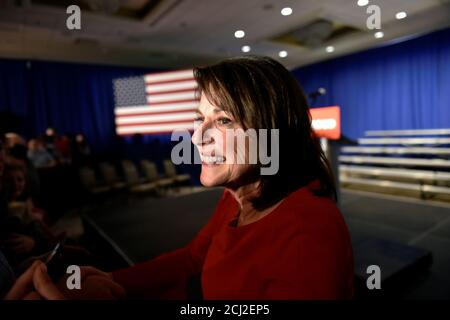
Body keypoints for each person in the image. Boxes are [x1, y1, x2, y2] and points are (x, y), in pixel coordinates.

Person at [7, 55, 354, 300]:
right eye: (199, 118)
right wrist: (113, 282)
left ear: (274, 133)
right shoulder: (235, 196)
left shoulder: (311, 229)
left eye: (224, 120)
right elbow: (193, 259)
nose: (197, 135)